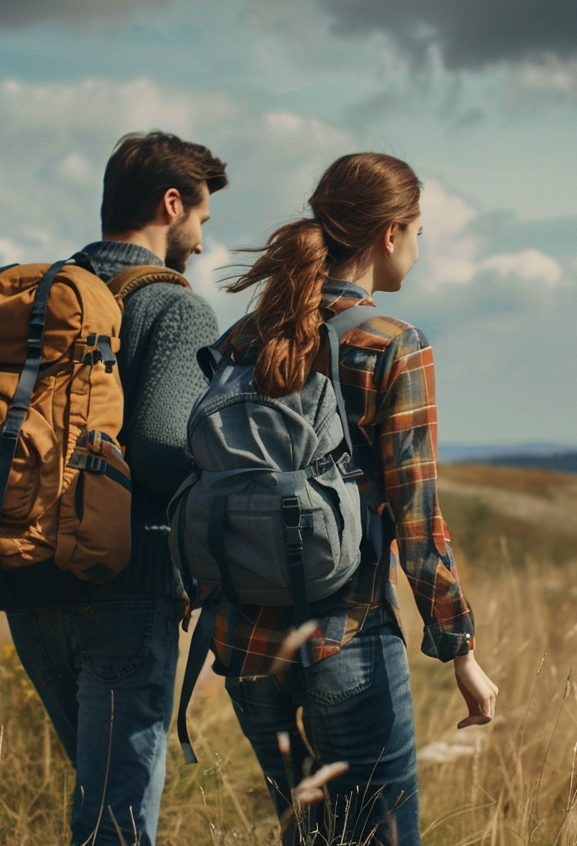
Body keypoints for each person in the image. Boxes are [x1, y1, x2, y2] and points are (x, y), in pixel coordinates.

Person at [209, 152, 498, 845]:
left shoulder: (242, 339)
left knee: (304, 832)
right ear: (389, 233)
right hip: (346, 633)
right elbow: (417, 517)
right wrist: (459, 647)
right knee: (379, 836)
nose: (420, 251)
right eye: (420, 231)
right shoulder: (394, 345)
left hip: (241, 641)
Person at [5, 131, 227, 846]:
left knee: (98, 801)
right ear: (171, 204)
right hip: (127, 588)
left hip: (26, 581)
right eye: (201, 218)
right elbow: (164, 453)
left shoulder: (41, 295)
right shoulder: (174, 308)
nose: (199, 238)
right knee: (116, 821)